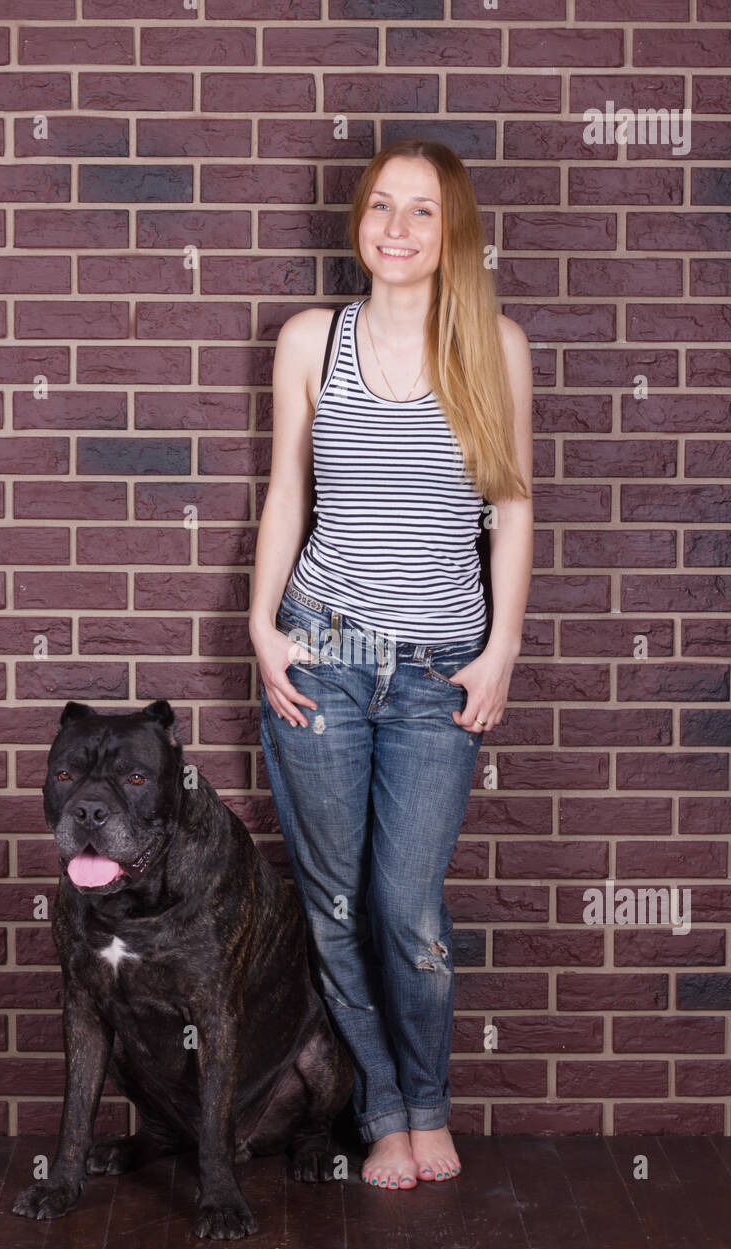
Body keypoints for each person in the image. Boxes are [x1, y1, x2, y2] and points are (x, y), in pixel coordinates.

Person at [249, 138, 533, 1192]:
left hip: (433, 671)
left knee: (406, 905)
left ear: (451, 230)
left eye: (421, 211)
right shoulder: (310, 341)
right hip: (320, 653)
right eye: (381, 207)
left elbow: (509, 504)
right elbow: (285, 491)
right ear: (359, 222)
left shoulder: (495, 345)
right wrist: (261, 628)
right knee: (330, 902)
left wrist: (499, 648)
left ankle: (428, 1105)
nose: (398, 229)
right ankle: (382, 1113)